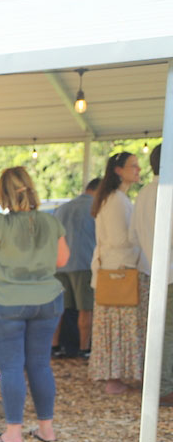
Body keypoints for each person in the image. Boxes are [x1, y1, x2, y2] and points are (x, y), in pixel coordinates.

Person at [0, 168, 71, 442]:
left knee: (10, 367)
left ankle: (14, 432)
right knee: (40, 365)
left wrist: (6, 197)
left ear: (5, 192)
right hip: (46, 301)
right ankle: (46, 429)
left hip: (6, 302)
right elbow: (62, 260)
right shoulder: (50, 222)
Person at [90, 151, 144, 395]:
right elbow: (120, 239)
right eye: (133, 166)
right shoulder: (116, 200)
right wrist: (143, 237)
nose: (138, 169)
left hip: (112, 269)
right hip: (119, 270)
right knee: (119, 326)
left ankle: (115, 374)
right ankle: (114, 376)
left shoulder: (113, 198)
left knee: (114, 326)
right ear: (118, 170)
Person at [131, 143, 172, 404]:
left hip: (153, 270)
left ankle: (157, 384)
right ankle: (165, 387)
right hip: (169, 272)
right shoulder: (167, 190)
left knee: (158, 330)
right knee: (166, 332)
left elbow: (132, 234)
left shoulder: (144, 192)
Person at [52, 177, 100, 357]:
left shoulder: (62, 208)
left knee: (60, 308)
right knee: (85, 308)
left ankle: (55, 346)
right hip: (84, 262)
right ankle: (84, 348)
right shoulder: (96, 207)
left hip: (59, 265)